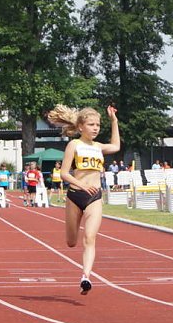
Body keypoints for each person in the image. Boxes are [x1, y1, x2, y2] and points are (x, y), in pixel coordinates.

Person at [47, 104, 120, 294]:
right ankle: (84, 273)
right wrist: (82, 185)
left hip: (94, 197)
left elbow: (116, 146)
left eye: (98, 125)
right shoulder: (74, 145)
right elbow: (64, 173)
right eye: (91, 124)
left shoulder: (99, 147)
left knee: (90, 238)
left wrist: (114, 121)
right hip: (75, 195)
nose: (95, 128)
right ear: (81, 127)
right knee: (71, 242)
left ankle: (85, 277)